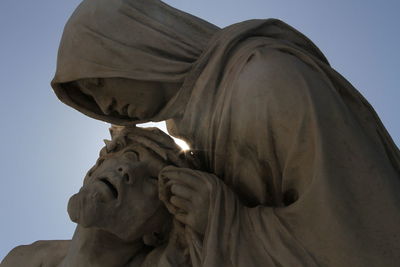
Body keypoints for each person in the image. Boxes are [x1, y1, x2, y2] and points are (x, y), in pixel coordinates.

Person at [51, 0, 400, 266]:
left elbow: (375, 242)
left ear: (130, 45)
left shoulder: (264, 83)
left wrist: (226, 221)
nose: (105, 105)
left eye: (97, 83)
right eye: (91, 99)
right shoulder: (195, 131)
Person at [1, 126, 191, 267]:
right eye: (130, 155)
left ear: (156, 232)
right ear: (93, 171)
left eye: (152, 180)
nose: (128, 170)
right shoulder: (24, 258)